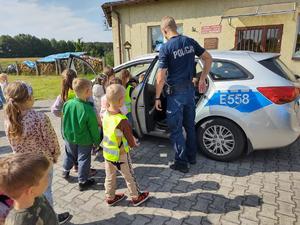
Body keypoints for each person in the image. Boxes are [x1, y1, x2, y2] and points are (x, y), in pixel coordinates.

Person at [3, 81, 71, 224]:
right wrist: (55, 155)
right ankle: (50, 219)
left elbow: (12, 145)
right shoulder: (39, 118)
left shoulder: (8, 121)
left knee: (29, 193)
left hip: (22, 166)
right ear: (28, 99)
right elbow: (52, 140)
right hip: (42, 164)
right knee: (45, 193)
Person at [155, 16, 212, 173]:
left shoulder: (166, 48)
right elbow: (208, 58)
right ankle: (192, 157)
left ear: (165, 30)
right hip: (189, 92)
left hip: (176, 95)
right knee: (190, 125)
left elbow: (160, 78)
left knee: (176, 129)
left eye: (163, 33)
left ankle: (181, 163)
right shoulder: (190, 41)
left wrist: (157, 97)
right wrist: (202, 78)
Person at [101, 83, 149, 206]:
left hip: (107, 153)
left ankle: (110, 197)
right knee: (129, 176)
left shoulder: (105, 114)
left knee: (110, 176)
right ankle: (136, 196)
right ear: (121, 100)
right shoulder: (122, 120)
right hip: (121, 154)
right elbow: (130, 140)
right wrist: (135, 144)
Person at [62, 78, 100, 191]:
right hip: (84, 140)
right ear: (87, 91)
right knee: (83, 159)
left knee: (69, 154)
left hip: (69, 137)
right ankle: (83, 181)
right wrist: (97, 142)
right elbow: (93, 128)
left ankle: (65, 171)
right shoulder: (88, 109)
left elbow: (63, 121)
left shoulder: (67, 104)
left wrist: (64, 134)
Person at [0, 153, 59, 225]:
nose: (48, 179)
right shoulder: (20, 222)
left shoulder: (37, 195)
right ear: (31, 190)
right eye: (46, 177)